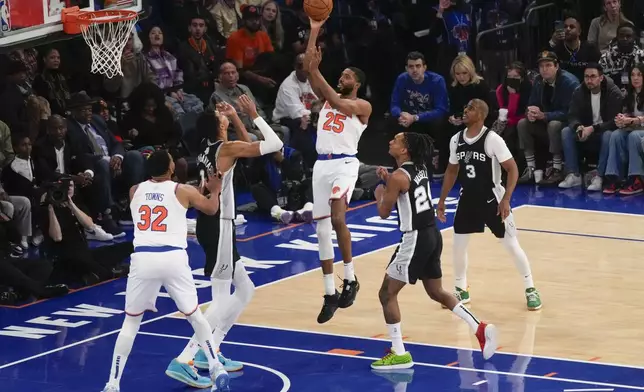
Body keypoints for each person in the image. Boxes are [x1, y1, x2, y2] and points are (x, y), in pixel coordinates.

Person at [166, 95, 284, 384]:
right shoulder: (225, 148)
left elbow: (246, 149)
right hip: (219, 225)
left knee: (245, 289)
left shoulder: (210, 148)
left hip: (217, 223)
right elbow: (274, 145)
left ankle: (211, 350)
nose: (222, 115)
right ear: (217, 127)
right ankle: (186, 357)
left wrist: (234, 118)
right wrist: (253, 113)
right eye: (220, 117)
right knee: (219, 301)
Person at [102, 150, 228, 392]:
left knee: (130, 323)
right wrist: (217, 188)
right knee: (195, 316)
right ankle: (215, 367)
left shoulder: (134, 190)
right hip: (172, 257)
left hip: (143, 258)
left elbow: (160, 202)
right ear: (171, 168)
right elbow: (211, 209)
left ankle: (112, 384)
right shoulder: (183, 190)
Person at [370, 132, 498, 370]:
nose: (390, 141)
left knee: (386, 294)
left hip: (415, 237)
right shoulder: (419, 168)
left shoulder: (398, 177)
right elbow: (406, 189)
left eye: (396, 140)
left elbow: (383, 212)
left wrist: (380, 190)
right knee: (436, 291)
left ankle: (399, 353)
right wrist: (389, 180)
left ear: (405, 150)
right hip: (432, 235)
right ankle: (478, 327)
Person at [437, 99, 542, 311]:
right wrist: (441, 200)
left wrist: (506, 199)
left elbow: (511, 169)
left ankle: (530, 287)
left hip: (492, 198)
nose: (466, 110)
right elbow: (451, 171)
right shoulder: (456, 140)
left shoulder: (492, 139)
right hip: (467, 199)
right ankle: (460, 288)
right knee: (458, 246)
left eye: (471, 108)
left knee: (511, 245)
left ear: (482, 115)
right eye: (465, 107)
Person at [303, 17, 373, 324]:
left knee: (337, 218)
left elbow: (331, 95)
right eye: (340, 75)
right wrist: (315, 29)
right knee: (320, 230)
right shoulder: (329, 98)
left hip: (345, 163)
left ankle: (351, 277)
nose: (341, 78)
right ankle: (330, 292)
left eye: (346, 76)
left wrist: (317, 71)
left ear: (355, 83)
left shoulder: (362, 107)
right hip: (322, 164)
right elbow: (308, 68)